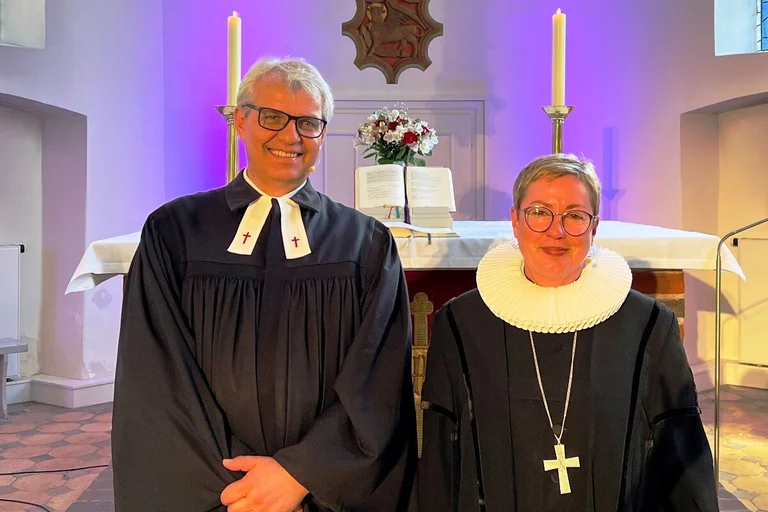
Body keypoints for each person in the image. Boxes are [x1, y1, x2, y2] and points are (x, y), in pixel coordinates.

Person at [111, 56, 418, 512]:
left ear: (323, 134)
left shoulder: (365, 243)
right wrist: (244, 486)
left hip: (323, 490)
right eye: (273, 117)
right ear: (240, 121)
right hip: (214, 490)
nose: (290, 136)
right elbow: (156, 374)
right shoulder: (175, 231)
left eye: (308, 123)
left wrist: (302, 473)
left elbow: (378, 378)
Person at [418, 154, 718, 511]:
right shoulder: (462, 323)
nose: (556, 231)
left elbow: (681, 454)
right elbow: (441, 456)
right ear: (515, 221)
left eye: (574, 215)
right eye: (540, 212)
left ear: (594, 227)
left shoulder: (648, 325)